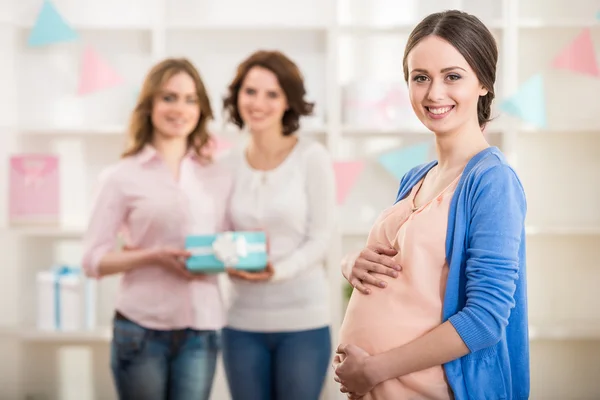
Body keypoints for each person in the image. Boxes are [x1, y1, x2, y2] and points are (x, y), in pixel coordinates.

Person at [333, 10, 529, 400]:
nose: (434, 93)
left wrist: (374, 369)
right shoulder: (417, 176)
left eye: (452, 76)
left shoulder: (491, 181)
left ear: (484, 84)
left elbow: (485, 320)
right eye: (420, 77)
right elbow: (406, 274)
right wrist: (352, 262)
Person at [81, 58, 232, 400]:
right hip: (140, 331)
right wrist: (153, 256)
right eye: (169, 97)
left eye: (190, 99)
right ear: (149, 105)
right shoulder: (120, 177)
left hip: (202, 329)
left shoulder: (218, 175)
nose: (180, 108)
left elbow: (226, 244)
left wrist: (245, 253)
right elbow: (92, 260)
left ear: (201, 109)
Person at [219, 50, 337, 400]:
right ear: (237, 96)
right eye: (250, 91)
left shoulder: (311, 158)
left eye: (272, 94)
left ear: (288, 101)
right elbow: (221, 233)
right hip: (240, 320)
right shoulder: (226, 164)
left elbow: (320, 239)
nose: (259, 103)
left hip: (303, 321)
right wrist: (222, 259)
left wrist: (277, 271)